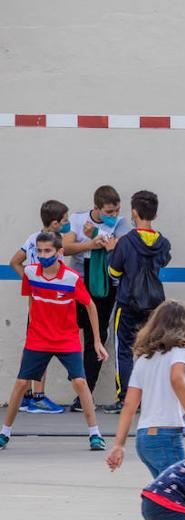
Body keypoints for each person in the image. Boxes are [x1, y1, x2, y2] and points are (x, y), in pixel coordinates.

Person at [105, 300, 185, 520]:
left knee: (168, 501)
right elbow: (177, 379)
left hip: (145, 439)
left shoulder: (144, 359)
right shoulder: (182, 352)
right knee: (178, 502)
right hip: (167, 436)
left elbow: (128, 405)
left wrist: (118, 444)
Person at [0, 232, 109, 451]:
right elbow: (32, 299)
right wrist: (33, 329)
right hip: (38, 338)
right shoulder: (30, 273)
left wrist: (97, 341)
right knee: (22, 384)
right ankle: (5, 432)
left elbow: (90, 306)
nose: (42, 255)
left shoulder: (71, 278)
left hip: (66, 339)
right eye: (39, 251)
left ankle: (95, 434)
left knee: (80, 382)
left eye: (47, 251)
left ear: (59, 252)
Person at [105, 190, 172, 413]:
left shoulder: (125, 243)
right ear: (156, 214)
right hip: (154, 305)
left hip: (127, 302)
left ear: (133, 212)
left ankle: (125, 398)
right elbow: (163, 262)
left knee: (123, 349)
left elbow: (114, 273)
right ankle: (151, 397)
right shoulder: (163, 243)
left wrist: (110, 252)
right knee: (151, 350)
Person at [63, 185, 130, 410]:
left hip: (105, 286)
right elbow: (66, 247)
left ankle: (85, 394)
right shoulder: (78, 218)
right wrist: (91, 243)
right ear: (97, 208)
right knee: (69, 331)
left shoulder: (121, 224)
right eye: (109, 212)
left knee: (96, 335)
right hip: (79, 282)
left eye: (116, 211)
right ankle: (75, 380)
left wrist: (98, 236)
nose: (113, 216)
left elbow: (119, 248)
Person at [8, 199, 72, 414]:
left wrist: (30, 281)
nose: (67, 223)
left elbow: (15, 261)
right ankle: (38, 396)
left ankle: (28, 395)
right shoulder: (51, 242)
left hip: (42, 303)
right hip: (44, 304)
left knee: (35, 346)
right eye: (64, 220)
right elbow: (15, 262)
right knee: (41, 347)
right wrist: (31, 281)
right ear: (54, 223)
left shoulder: (32, 238)